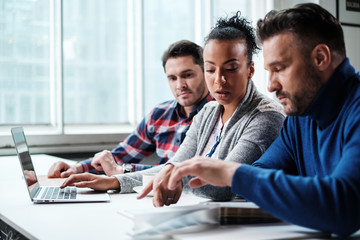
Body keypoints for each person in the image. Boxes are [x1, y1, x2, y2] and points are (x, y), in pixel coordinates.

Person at [167, 3, 360, 237]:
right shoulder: (299, 116)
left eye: (279, 68)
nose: (270, 85)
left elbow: (344, 207)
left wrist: (231, 173)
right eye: (269, 71)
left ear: (320, 58)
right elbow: (260, 171)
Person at [60, 12, 285, 207]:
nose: (219, 80)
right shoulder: (208, 112)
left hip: (239, 227)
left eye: (231, 68)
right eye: (210, 69)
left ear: (250, 69)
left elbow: (222, 184)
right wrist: (116, 182)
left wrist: (172, 174)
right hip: (201, 214)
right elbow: (174, 166)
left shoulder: (266, 116)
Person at [48, 40, 213, 178]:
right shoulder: (160, 114)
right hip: (157, 197)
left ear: (206, 72)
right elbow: (122, 155)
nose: (180, 85)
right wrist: (76, 168)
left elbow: (187, 173)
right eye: (172, 78)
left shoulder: (219, 114)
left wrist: (123, 171)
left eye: (187, 75)